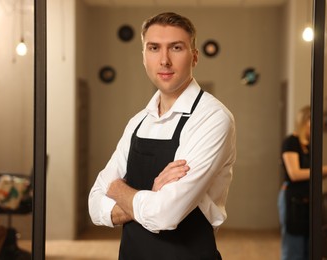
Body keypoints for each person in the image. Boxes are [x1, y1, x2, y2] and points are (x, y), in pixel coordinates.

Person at [88, 12, 236, 259]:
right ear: (144, 57)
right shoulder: (137, 122)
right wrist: (153, 193)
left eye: (176, 48)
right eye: (154, 48)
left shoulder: (212, 118)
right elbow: (95, 205)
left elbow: (166, 215)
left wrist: (119, 190)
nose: (164, 60)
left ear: (194, 56)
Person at [277, 105, 327, 260]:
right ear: (306, 121)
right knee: (294, 248)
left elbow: (310, 174)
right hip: (293, 200)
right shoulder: (291, 142)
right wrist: (326, 169)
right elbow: (295, 174)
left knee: (309, 249)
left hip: (308, 200)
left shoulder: (310, 145)